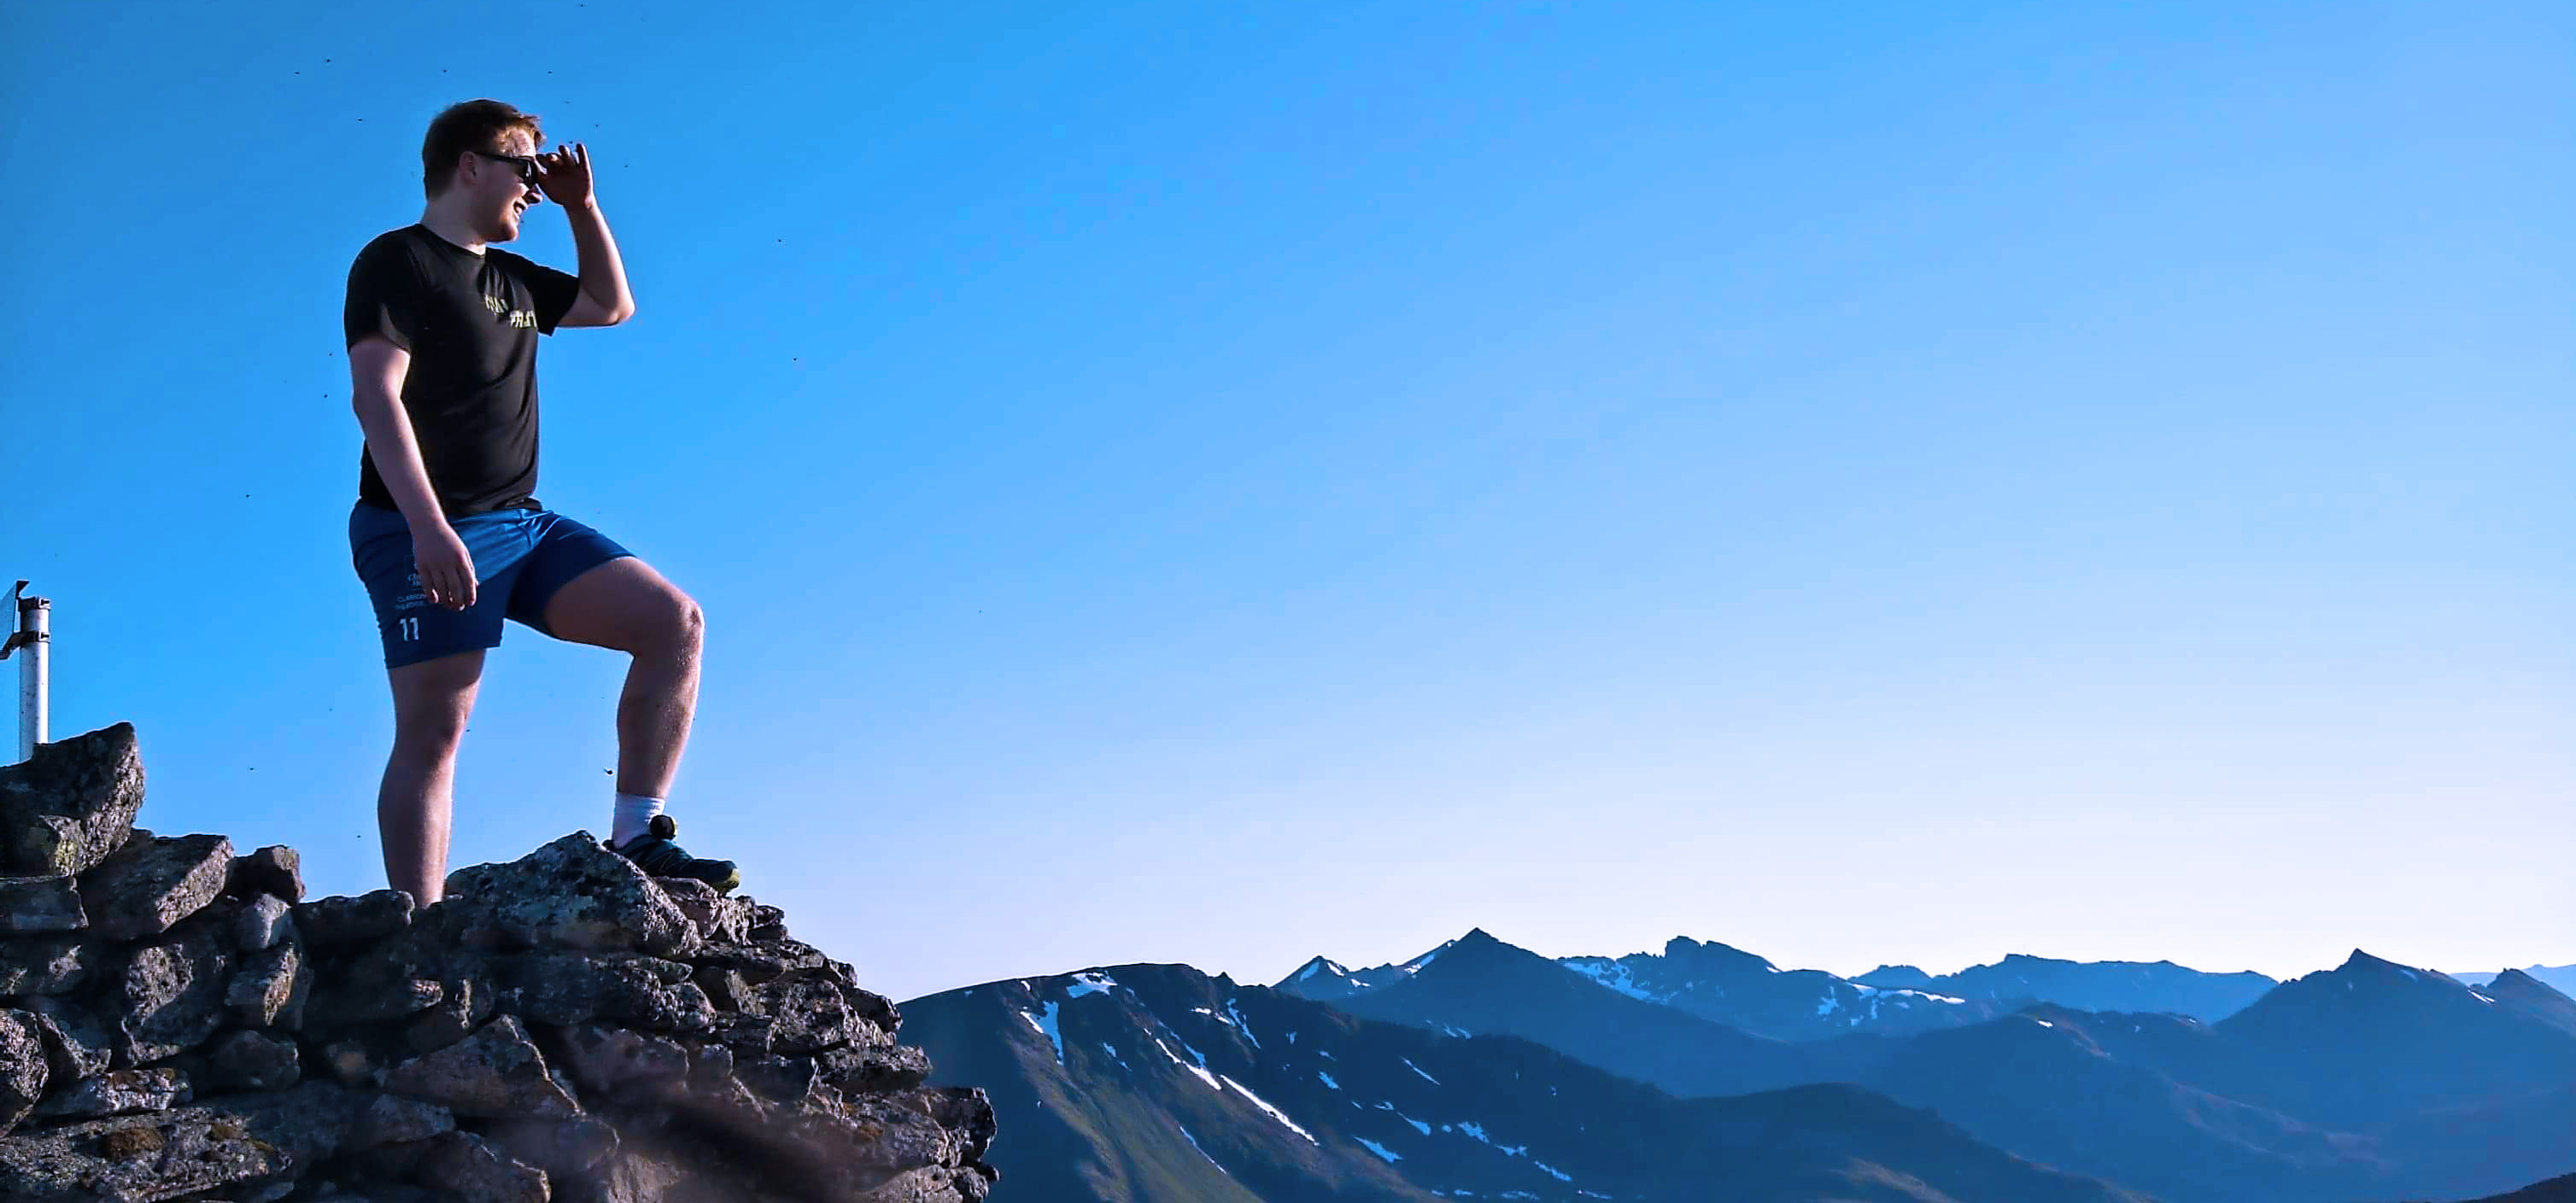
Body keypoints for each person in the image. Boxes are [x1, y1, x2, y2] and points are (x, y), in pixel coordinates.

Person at [343, 98, 736, 903]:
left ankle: (637, 837)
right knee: (435, 730)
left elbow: (611, 305)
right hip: (420, 527)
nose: (535, 185)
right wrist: (427, 527)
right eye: (526, 167)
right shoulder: (397, 261)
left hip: (522, 523)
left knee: (674, 623)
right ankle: (421, 930)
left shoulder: (510, 278)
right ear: (470, 165)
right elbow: (376, 398)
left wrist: (582, 206)